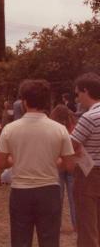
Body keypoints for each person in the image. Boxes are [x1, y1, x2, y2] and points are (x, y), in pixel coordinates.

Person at [0, 79, 75, 247]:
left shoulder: (10, 129)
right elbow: (69, 165)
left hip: (20, 191)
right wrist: (53, 160)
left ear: (24, 102)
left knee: (20, 241)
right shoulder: (59, 129)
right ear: (47, 102)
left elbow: (0, 163)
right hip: (49, 191)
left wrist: (15, 159)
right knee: (49, 241)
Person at [71, 72, 100, 246]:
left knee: (87, 226)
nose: (77, 98)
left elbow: (70, 145)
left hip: (89, 174)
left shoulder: (89, 118)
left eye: (77, 93)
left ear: (85, 91)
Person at [50, 104, 77, 231]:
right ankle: (76, 224)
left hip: (59, 164)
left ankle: (56, 224)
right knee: (74, 198)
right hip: (71, 163)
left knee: (57, 198)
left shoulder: (52, 128)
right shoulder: (73, 126)